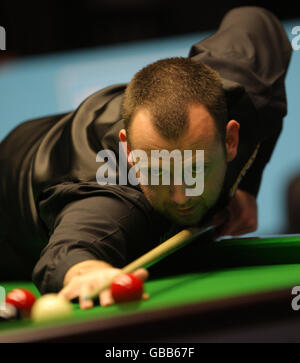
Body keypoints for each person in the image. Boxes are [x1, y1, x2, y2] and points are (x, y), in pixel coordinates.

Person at [0, 6, 292, 309]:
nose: (181, 197)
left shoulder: (244, 94)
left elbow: (257, 21)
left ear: (231, 140)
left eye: (196, 170)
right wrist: (85, 270)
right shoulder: (114, 199)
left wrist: (246, 184)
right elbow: (71, 249)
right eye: (158, 174)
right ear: (129, 151)